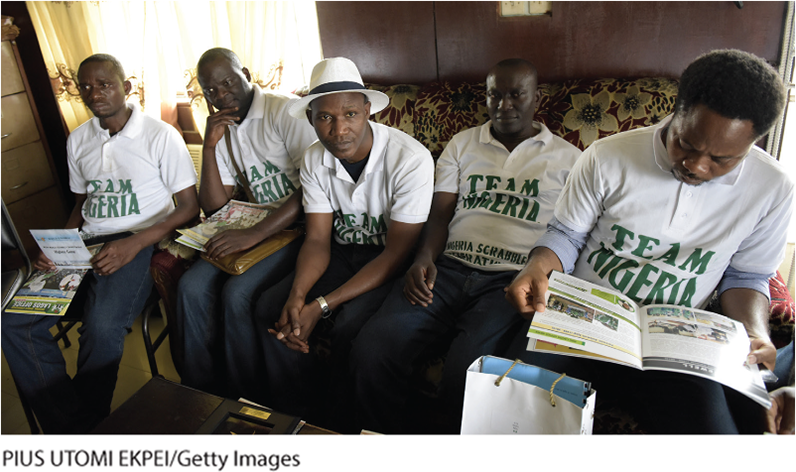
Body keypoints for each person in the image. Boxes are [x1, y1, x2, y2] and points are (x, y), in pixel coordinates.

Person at [504, 49, 792, 434]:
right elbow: (566, 235)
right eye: (686, 144)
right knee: (510, 411)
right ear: (677, 111)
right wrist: (538, 266)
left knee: (718, 437)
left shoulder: (773, 188)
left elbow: (747, 276)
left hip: (676, 350)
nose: (697, 165)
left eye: (721, 160)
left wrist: (754, 331)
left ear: (752, 143)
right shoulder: (608, 157)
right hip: (581, 330)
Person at [350, 59, 581, 434]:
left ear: (536, 98)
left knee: (465, 374)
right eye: (494, 95)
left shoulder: (571, 159)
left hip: (509, 281)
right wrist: (423, 259)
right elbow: (440, 214)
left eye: (515, 95)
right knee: (372, 350)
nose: (504, 105)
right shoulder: (462, 143)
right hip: (448, 269)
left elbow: (571, 233)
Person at [1, 53, 199, 433]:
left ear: (126, 87)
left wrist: (135, 243)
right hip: (85, 242)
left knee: (102, 325)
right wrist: (59, 244)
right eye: (86, 86)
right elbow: (81, 204)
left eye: (104, 84)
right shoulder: (78, 139)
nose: (94, 93)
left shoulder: (160, 135)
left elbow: (188, 208)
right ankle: (76, 427)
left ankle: (78, 428)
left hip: (138, 243)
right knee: (13, 321)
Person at [235, 57, 434, 423]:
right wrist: (298, 297)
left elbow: (395, 254)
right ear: (311, 119)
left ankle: (343, 425)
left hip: (388, 262)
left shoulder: (410, 159)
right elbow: (318, 240)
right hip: (343, 253)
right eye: (325, 117)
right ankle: (294, 415)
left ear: (367, 110)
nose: (339, 130)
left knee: (349, 328)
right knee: (272, 308)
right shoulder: (314, 159)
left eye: (350, 115)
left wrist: (320, 305)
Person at [174, 48, 316, 395]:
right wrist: (208, 147)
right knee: (190, 287)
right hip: (252, 226)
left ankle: (247, 393)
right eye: (210, 90)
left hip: (296, 228)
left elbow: (314, 186)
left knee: (238, 294)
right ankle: (200, 390)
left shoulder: (284, 111)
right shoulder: (222, 127)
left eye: (227, 82)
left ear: (246, 73)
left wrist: (254, 234)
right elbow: (214, 205)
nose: (221, 95)